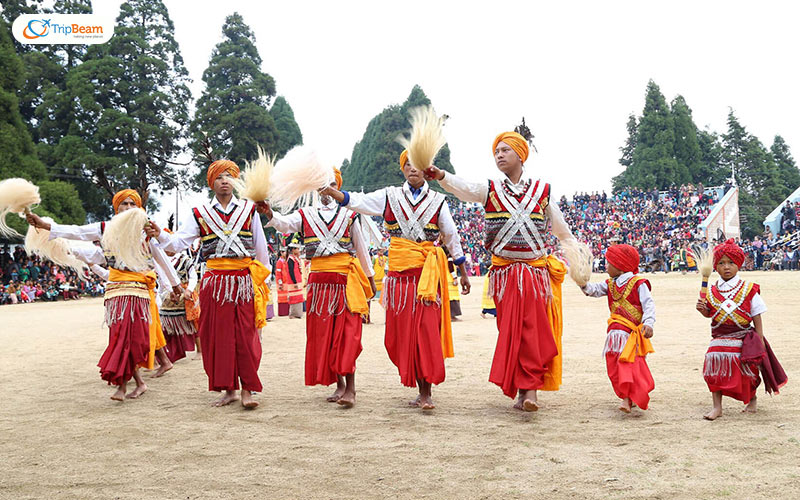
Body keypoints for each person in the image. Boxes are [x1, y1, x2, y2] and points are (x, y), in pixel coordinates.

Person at [426, 131, 576, 411]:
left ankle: (530, 391)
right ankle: (522, 390)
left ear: (521, 155)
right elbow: (464, 188)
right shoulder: (490, 189)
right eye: (497, 152)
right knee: (511, 331)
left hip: (533, 274)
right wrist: (442, 175)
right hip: (505, 276)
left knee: (533, 330)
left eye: (505, 150)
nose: (499, 155)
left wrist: (575, 252)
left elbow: (560, 227)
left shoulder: (542, 191)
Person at [321, 149, 471, 411]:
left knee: (426, 333)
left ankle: (426, 392)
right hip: (399, 279)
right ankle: (417, 385)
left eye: (417, 164)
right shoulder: (388, 196)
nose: (412, 168)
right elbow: (359, 201)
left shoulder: (438, 200)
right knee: (400, 336)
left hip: (426, 278)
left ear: (425, 168)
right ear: (403, 169)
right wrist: (337, 195)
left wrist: (462, 268)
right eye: (408, 165)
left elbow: (451, 234)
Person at [26, 189, 182, 401]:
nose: (127, 208)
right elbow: (78, 231)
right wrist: (45, 226)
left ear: (138, 208)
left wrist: (175, 285)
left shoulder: (146, 232)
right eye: (123, 204)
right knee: (119, 337)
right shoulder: (105, 229)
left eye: (131, 204)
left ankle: (136, 382)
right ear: (116, 208)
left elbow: (161, 260)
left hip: (139, 293)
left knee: (135, 340)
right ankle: (128, 385)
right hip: (116, 293)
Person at [148, 159, 271, 409]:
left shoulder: (249, 210)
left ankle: (248, 388)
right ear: (211, 182)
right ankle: (228, 389)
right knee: (218, 337)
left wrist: (263, 282)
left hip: (244, 282)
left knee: (246, 337)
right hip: (214, 284)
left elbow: (261, 249)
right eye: (219, 177)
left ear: (235, 181)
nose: (224, 180)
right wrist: (159, 233)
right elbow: (176, 244)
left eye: (229, 176)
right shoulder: (199, 213)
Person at [263, 167, 376, 407]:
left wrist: (370, 279)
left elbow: (361, 248)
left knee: (347, 335)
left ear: (338, 186)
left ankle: (351, 389)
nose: (326, 188)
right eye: (322, 183)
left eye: (332, 183)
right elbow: (283, 224)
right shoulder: (305, 214)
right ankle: (339, 385)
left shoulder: (350, 214)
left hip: (345, 281)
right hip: (319, 284)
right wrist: (270, 213)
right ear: (315, 188)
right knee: (325, 335)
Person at [695, 239, 787, 420]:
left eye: (731, 263)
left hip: (742, 336)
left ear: (739, 264)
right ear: (715, 267)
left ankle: (752, 399)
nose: (726, 267)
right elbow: (710, 314)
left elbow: (756, 315)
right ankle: (717, 407)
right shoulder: (711, 290)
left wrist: (759, 340)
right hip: (719, 338)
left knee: (748, 370)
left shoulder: (748, 288)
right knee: (712, 366)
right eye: (721, 263)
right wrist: (703, 310)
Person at [580, 244, 655, 413]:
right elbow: (593, 290)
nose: (606, 266)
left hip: (630, 334)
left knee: (628, 365)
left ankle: (626, 399)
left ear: (620, 266)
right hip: (614, 335)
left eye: (609, 263)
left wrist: (649, 323)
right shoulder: (610, 283)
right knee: (614, 366)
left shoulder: (639, 283)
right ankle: (629, 396)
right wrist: (582, 283)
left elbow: (648, 304)